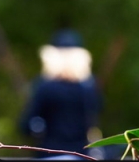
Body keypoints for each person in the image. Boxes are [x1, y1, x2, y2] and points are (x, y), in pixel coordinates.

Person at [18, 29, 102, 160]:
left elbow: (26, 125)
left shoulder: (44, 87)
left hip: (49, 153)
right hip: (80, 155)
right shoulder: (88, 88)